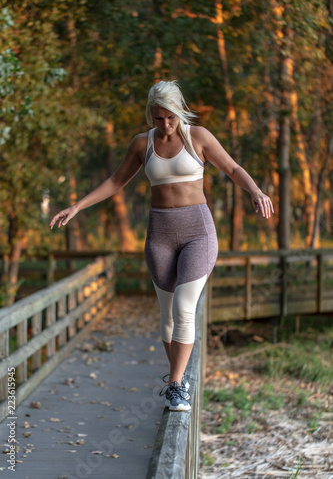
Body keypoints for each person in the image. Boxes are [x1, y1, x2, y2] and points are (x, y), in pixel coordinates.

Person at [50, 80, 274, 411]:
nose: (166, 125)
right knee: (167, 316)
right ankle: (177, 379)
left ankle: (175, 384)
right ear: (151, 116)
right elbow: (115, 181)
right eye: (158, 119)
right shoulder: (143, 144)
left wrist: (255, 190)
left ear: (179, 111)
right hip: (160, 235)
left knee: (185, 307)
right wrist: (77, 206)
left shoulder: (198, 137)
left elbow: (232, 167)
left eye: (170, 117)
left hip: (198, 232)